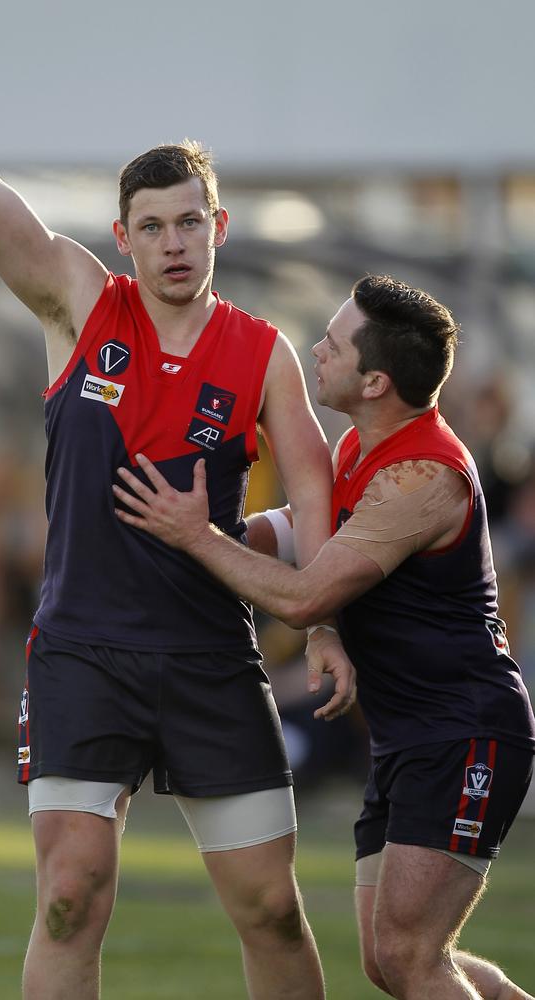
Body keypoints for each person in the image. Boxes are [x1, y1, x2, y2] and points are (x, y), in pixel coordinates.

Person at [0, 21, 361, 1000]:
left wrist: (321, 622)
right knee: (70, 893)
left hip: (208, 658)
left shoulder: (261, 352)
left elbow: (314, 491)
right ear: (124, 237)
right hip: (83, 654)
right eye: (152, 225)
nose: (173, 242)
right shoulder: (76, 304)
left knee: (271, 909)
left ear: (217, 228)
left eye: (189, 222)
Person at [114, 274, 535, 1000]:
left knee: (411, 955)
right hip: (413, 737)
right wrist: (212, 535)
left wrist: (194, 538)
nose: (316, 350)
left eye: (333, 345)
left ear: (375, 381)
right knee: (387, 958)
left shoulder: (419, 477)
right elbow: (298, 531)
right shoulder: (363, 446)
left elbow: (310, 592)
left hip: (465, 733)